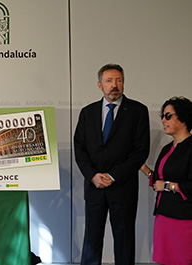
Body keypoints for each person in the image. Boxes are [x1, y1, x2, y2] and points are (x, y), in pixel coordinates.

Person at [74, 63, 150, 265]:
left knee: (124, 243)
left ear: (123, 83)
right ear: (100, 85)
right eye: (109, 81)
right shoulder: (87, 112)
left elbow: (140, 151)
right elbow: (79, 149)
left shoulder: (138, 111)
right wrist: (92, 175)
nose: (114, 85)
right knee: (91, 242)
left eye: (119, 80)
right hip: (94, 187)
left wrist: (113, 176)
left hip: (123, 188)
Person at [140, 96, 192, 265]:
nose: (163, 120)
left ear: (183, 118)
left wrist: (169, 186)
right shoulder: (167, 148)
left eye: (168, 116)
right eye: (162, 116)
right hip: (163, 215)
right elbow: (159, 180)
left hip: (183, 220)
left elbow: (171, 184)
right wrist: (143, 168)